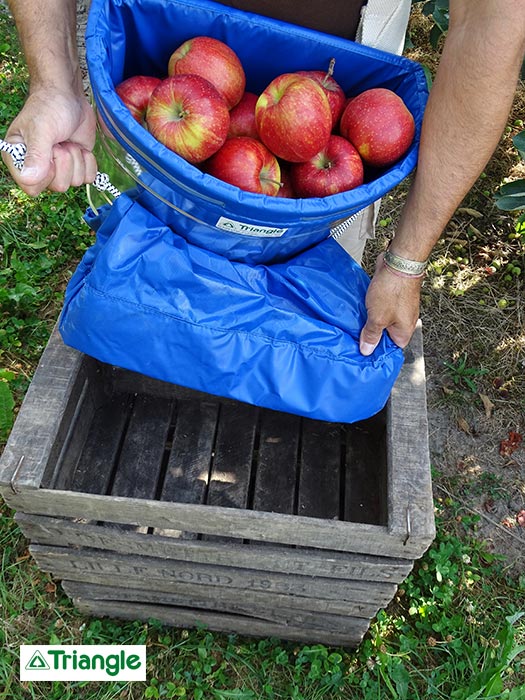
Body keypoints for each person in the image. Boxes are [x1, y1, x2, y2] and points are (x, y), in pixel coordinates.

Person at [3, 0, 525, 357]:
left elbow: (491, 26)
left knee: (288, 288)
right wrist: (55, 84)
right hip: (165, 76)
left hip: (333, 84)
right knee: (151, 271)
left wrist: (407, 260)